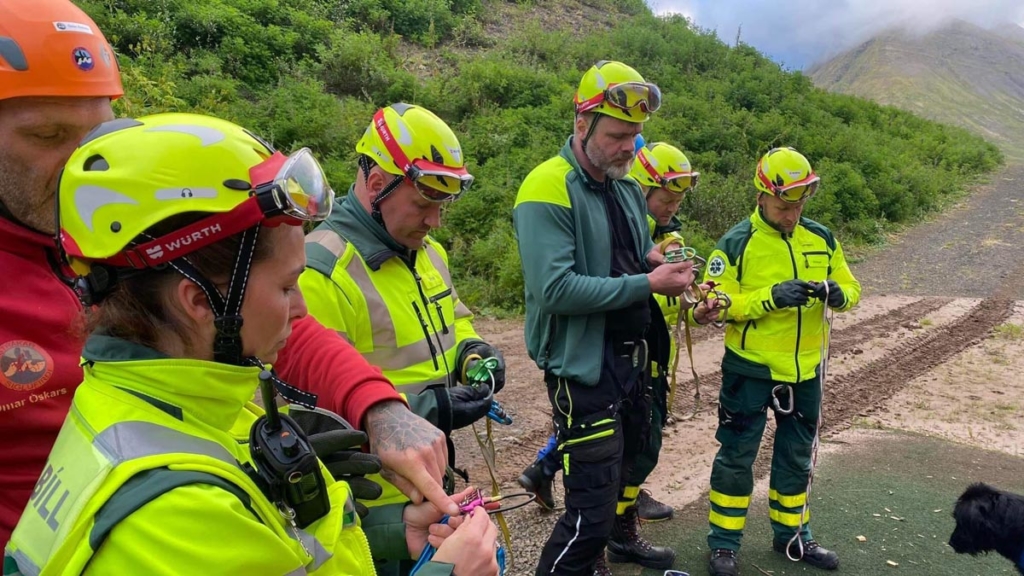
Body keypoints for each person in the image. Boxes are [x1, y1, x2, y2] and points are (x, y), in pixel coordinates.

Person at [0, 0, 458, 546]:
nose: (82, 162)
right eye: (48, 136)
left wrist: (376, 405)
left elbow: (257, 311)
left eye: (99, 132)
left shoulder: (132, 221)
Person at [3, 112, 500, 575]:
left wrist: (389, 537)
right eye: (287, 287)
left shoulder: (174, 403)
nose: (303, 310)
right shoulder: (176, 511)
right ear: (199, 301)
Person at [298, 103, 506, 567]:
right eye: (424, 205)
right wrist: (433, 407)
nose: (435, 222)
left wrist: (474, 354)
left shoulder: (426, 252)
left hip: (432, 486)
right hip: (373, 510)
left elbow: (456, 315)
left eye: (442, 207)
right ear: (376, 185)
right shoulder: (322, 270)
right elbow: (314, 417)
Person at [513, 60, 695, 576]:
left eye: (635, 137)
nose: (628, 149)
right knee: (589, 515)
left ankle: (603, 558)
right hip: (583, 369)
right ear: (581, 125)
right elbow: (555, 290)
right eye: (617, 135)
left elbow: (631, 255)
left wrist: (653, 261)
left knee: (624, 479)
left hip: (629, 363)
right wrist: (648, 283)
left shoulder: (624, 188)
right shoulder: (546, 187)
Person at [517, 141, 713, 527]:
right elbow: (568, 288)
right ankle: (608, 515)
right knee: (609, 441)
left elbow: (655, 299)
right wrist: (655, 283)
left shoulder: (655, 235)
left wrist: (691, 298)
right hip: (602, 356)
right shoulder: (603, 212)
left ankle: (588, 498)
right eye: (667, 198)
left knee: (621, 436)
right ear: (644, 189)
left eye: (679, 199)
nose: (673, 208)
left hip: (637, 350)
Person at [702, 147, 861, 576]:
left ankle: (793, 536)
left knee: (797, 457)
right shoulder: (736, 243)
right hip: (750, 369)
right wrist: (769, 299)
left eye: (798, 206)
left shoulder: (822, 237)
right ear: (761, 195)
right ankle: (723, 546)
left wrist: (838, 293)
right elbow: (715, 303)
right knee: (737, 458)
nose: (791, 215)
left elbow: (851, 285)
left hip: (807, 371)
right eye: (783, 206)